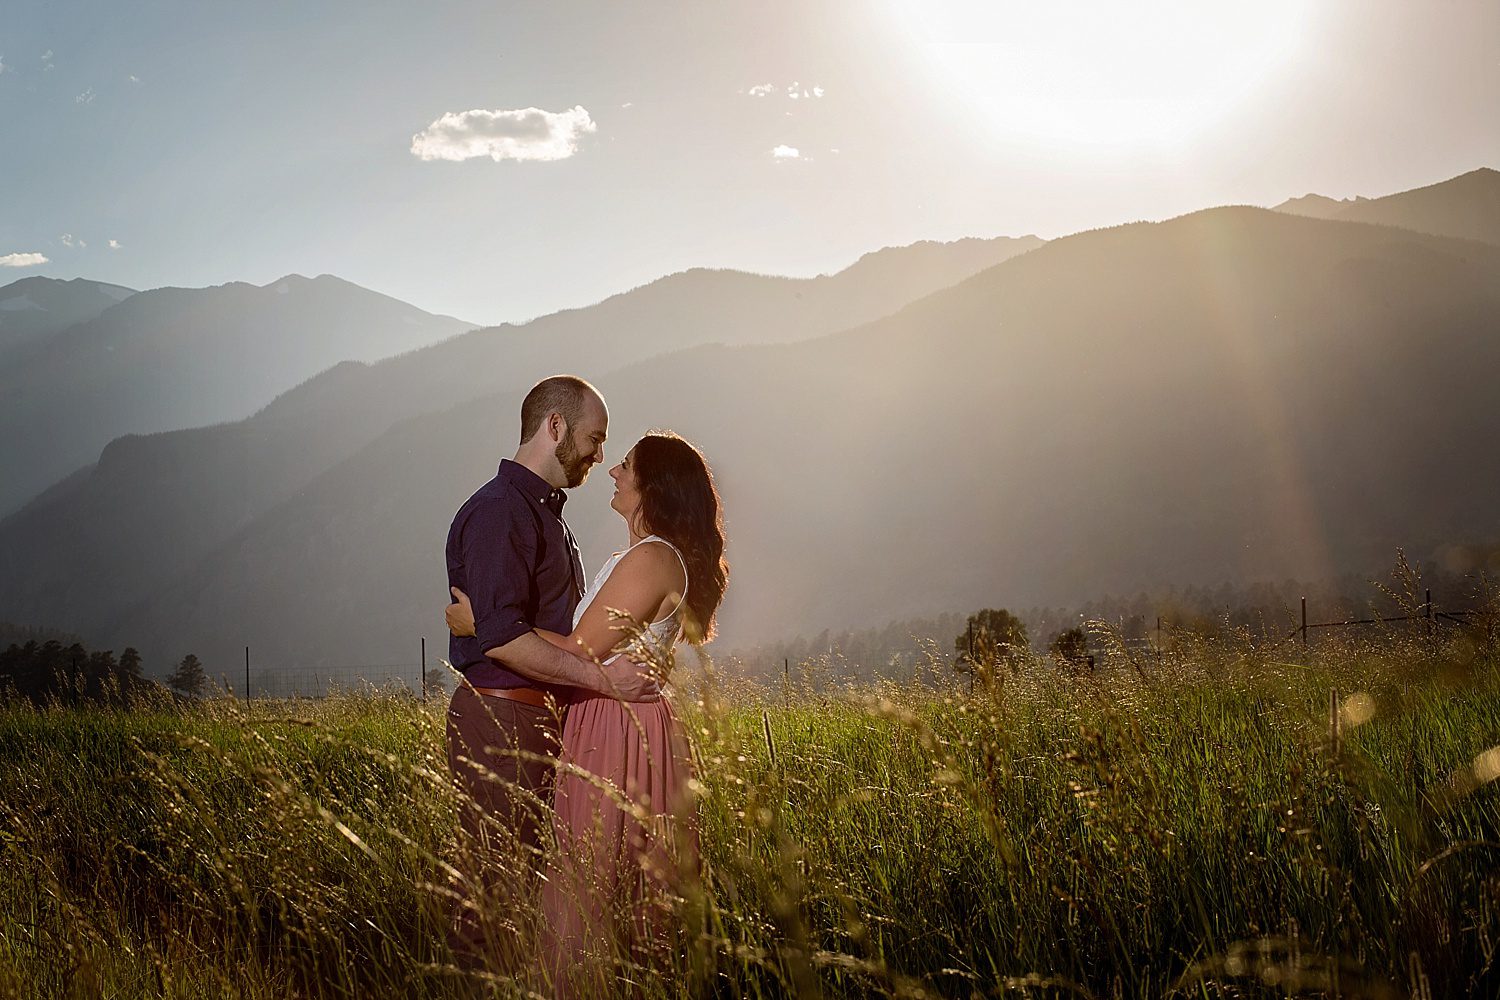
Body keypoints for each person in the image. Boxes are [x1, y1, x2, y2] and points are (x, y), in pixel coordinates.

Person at [447, 430, 728, 993]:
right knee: (609, 872)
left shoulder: (652, 558)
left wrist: (484, 625)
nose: (611, 470)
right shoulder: (646, 556)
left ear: (654, 486)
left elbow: (579, 649)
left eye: (624, 464)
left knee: (589, 875)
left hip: (616, 724)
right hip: (613, 714)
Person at [443, 374, 659, 967]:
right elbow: (506, 638)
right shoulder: (498, 513)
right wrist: (603, 682)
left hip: (537, 720)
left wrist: (483, 625)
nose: (599, 455)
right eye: (594, 438)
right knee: (492, 889)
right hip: (501, 716)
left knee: (530, 886)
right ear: (554, 426)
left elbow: (515, 626)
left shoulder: (544, 516)